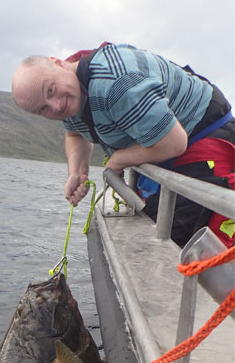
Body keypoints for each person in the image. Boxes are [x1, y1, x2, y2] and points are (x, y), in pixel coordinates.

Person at [12, 42, 235, 248]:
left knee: (181, 242)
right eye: (43, 109)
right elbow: (74, 134)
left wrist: (119, 159)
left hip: (203, 133)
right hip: (167, 144)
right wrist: (77, 172)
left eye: (50, 90)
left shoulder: (117, 84)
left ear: (58, 62)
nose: (56, 105)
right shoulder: (68, 92)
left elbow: (173, 143)